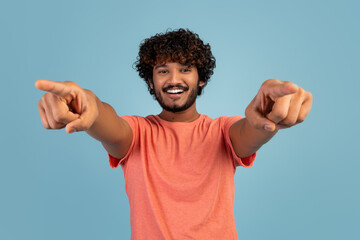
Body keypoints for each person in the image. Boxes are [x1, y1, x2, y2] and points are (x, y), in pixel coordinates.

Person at [35, 29, 312, 240]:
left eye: (185, 69)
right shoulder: (137, 132)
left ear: (200, 78)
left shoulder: (222, 131)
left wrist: (266, 113)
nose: (173, 79)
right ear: (151, 81)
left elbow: (249, 132)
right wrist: (87, 103)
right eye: (163, 70)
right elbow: (107, 120)